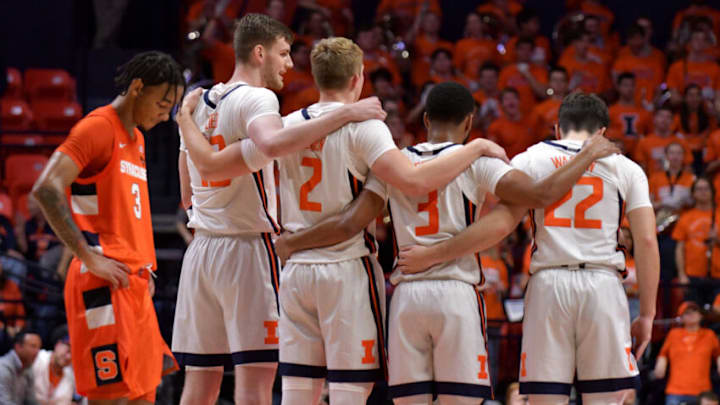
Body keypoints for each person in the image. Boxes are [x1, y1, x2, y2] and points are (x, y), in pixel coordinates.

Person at [272, 83, 618, 404]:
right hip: (455, 291)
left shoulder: (393, 163)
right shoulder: (478, 161)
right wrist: (586, 155)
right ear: (470, 122)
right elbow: (541, 194)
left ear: (425, 119)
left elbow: (352, 221)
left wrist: (293, 242)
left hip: (407, 294)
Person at [172, 14, 386, 405]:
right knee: (254, 387)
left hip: (201, 250)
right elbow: (271, 145)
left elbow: (187, 195)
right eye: (284, 53)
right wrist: (346, 112)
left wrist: (184, 122)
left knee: (198, 388)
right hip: (248, 248)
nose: (289, 64)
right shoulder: (259, 98)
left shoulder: (199, 105)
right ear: (259, 53)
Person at [397, 92, 660, 404]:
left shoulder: (530, 159)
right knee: (605, 398)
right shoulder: (626, 167)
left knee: (543, 398)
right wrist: (646, 313)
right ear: (602, 132)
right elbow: (645, 241)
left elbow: (501, 223)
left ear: (557, 128)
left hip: (548, 284)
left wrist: (433, 253)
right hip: (603, 285)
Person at [31, 51, 184, 404]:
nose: (165, 115)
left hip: (134, 281)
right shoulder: (98, 127)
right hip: (102, 281)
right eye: (162, 104)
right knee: (110, 397)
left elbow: (132, 214)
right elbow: (45, 187)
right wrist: (86, 255)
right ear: (137, 87)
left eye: (170, 108)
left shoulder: (138, 140)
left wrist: (145, 268)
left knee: (144, 394)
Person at [654, 302, 720, 405]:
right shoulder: (674, 334)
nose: (692, 314)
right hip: (676, 390)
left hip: (703, 390)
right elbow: (663, 354)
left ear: (701, 315)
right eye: (687, 313)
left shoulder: (709, 335)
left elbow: (718, 354)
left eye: (695, 311)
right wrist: (660, 364)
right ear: (681, 318)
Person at [672, 177, 720, 305]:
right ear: (693, 193)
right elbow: (679, 248)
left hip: (717, 276)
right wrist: (682, 275)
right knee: (693, 313)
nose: (703, 192)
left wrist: (717, 240)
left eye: (706, 188)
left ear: (712, 192)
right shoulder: (686, 217)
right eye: (699, 189)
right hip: (692, 276)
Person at [607, 72, 652, 156]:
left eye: (632, 85)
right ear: (618, 87)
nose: (629, 88)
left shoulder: (644, 112)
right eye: (625, 85)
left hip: (638, 155)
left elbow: (649, 135)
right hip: (617, 153)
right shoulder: (611, 111)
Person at [31, 326, 74, 405]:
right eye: (68, 350)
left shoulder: (70, 376)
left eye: (74, 354)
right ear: (58, 344)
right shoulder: (37, 359)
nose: (69, 357)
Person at [0, 330, 42, 405]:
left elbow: (31, 400)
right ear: (18, 347)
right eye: (33, 346)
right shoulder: (2, 367)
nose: (37, 351)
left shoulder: (28, 367)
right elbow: (3, 402)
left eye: (39, 347)